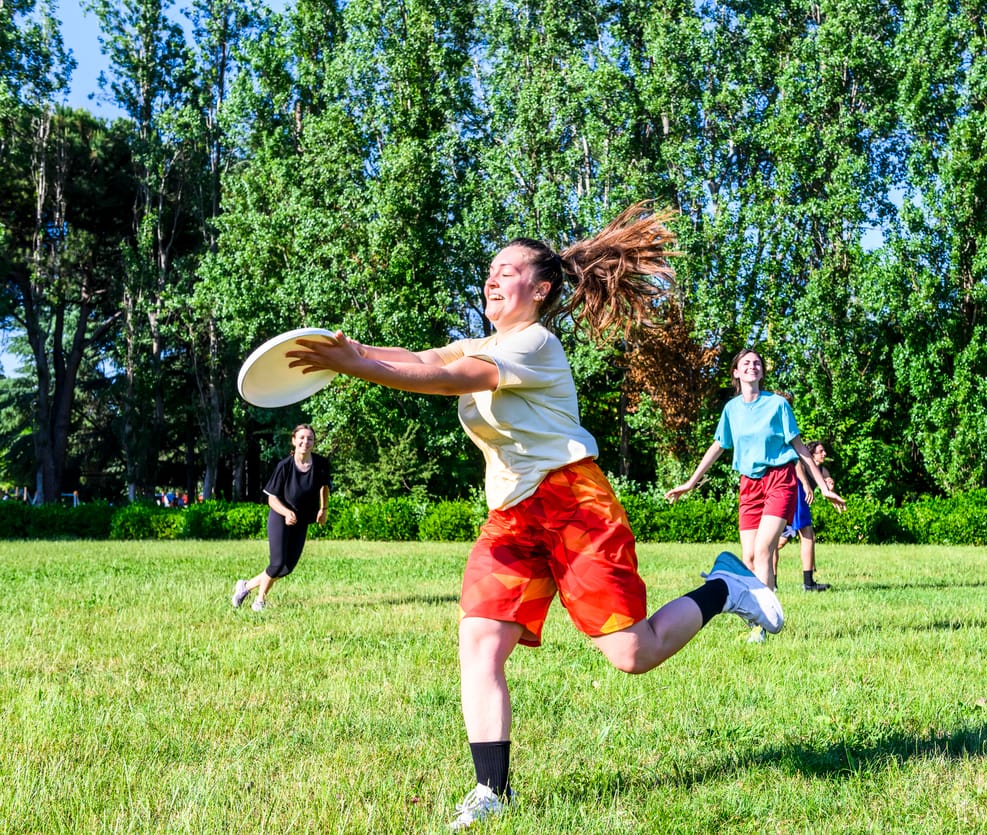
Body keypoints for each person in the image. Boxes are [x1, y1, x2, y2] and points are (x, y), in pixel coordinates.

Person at [285, 202, 783, 831]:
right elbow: (424, 356)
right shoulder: (486, 341)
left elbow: (449, 379)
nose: (491, 279)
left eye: (507, 271)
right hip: (512, 515)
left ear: (540, 289)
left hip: (573, 503)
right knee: (479, 642)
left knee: (632, 652)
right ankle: (491, 790)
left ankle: (725, 586)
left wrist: (356, 367)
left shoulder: (534, 344)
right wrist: (350, 348)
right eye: (490, 270)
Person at [665, 351, 844, 638]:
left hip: (779, 480)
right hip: (749, 485)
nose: (752, 366)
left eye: (757, 363)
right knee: (748, 558)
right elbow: (718, 446)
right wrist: (690, 482)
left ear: (762, 373)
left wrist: (822, 487)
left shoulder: (777, 405)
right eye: (745, 363)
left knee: (763, 551)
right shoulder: (731, 410)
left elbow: (798, 447)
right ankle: (758, 616)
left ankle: (763, 625)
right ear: (736, 372)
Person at [231, 424, 331, 612]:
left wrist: (323, 509)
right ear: (294, 440)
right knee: (277, 563)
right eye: (301, 438)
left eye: (309, 438)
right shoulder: (284, 466)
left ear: (314, 442)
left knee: (287, 568)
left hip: (302, 519)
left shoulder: (321, 464)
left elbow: (324, 487)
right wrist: (286, 512)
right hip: (280, 517)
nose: (305, 442)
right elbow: (272, 498)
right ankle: (259, 601)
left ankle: (245, 586)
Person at [777, 440, 835, 591]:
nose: (824, 454)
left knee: (778, 542)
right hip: (796, 495)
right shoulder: (802, 464)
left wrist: (830, 484)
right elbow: (795, 465)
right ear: (811, 455)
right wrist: (805, 484)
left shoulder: (822, 469)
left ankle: (770, 582)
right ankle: (808, 584)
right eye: (820, 451)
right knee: (808, 535)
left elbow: (828, 481)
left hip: (795, 499)